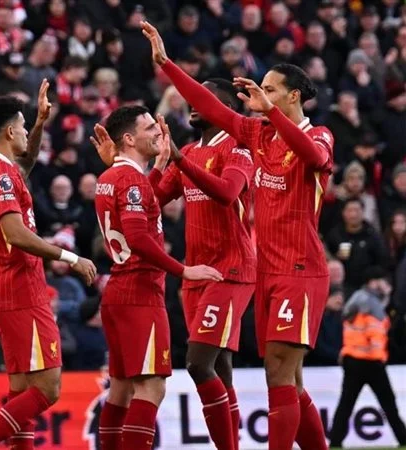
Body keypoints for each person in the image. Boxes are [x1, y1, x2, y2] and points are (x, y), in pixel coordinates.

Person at [142, 21, 334, 450]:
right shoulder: (256, 133)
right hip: (266, 271)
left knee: (278, 374)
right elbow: (211, 106)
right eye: (259, 89)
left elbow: (312, 157)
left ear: (293, 96)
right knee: (290, 380)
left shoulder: (318, 134)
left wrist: (270, 113)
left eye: (270, 89)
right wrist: (166, 64)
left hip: (300, 270)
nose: (259, 95)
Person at [0, 87, 97, 450]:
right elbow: (16, 234)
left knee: (21, 390)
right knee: (47, 388)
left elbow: (26, 163)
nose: (25, 133)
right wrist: (70, 257)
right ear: (9, 131)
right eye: (22, 127)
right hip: (21, 286)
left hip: (6, 284)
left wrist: (38, 124)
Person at [89, 105, 222, 450]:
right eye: (149, 127)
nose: (158, 132)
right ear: (129, 139)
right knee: (151, 387)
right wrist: (183, 269)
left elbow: (138, 208)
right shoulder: (130, 179)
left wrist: (159, 166)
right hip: (140, 293)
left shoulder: (111, 178)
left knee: (121, 389)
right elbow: (137, 236)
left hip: (119, 292)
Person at [145, 78, 255, 450]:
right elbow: (152, 201)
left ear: (225, 108)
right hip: (195, 273)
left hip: (230, 270)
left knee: (197, 363)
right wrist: (156, 165)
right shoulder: (190, 151)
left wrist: (179, 161)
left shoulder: (238, 148)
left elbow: (227, 192)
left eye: (204, 98)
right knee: (220, 367)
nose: (193, 104)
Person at [329, 266, 406, 447]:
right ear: (373, 282)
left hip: (352, 358)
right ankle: (403, 438)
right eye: (383, 282)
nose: (386, 286)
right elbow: (375, 333)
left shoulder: (356, 299)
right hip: (370, 360)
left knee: (346, 404)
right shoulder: (371, 303)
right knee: (389, 404)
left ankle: (335, 441)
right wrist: (380, 358)